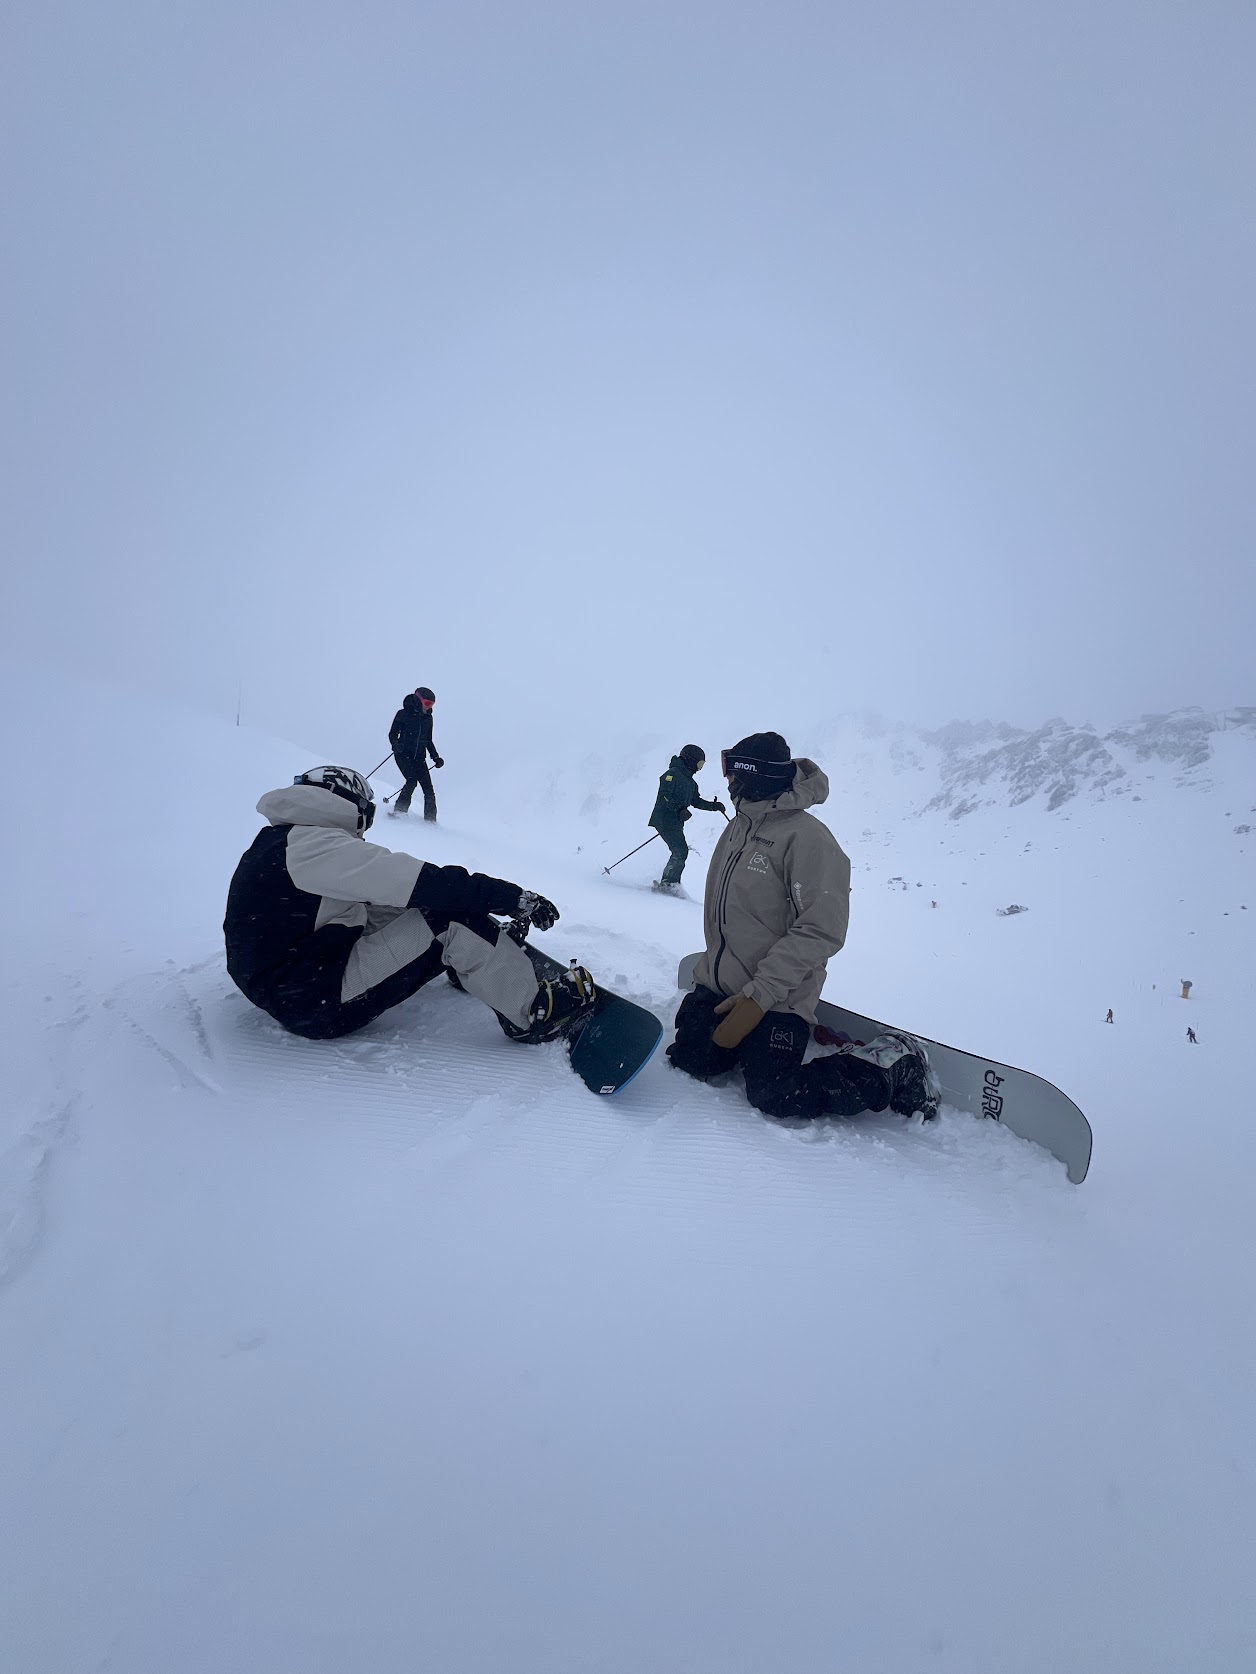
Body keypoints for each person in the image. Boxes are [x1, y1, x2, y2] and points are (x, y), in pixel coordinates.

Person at [667, 732, 935, 1121]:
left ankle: (894, 1064)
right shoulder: (739, 826)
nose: (727, 779)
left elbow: (822, 929)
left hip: (780, 996)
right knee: (691, 1058)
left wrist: (759, 997)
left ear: (754, 776)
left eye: (732, 770)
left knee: (775, 1093)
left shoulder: (808, 839)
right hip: (723, 984)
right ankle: (740, 1041)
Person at [224, 766, 596, 1044]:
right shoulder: (313, 846)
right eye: (367, 813)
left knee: (400, 905)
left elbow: (386, 898)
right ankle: (532, 1013)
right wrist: (511, 898)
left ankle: (469, 957)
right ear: (351, 804)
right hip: (314, 998)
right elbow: (423, 883)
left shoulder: (285, 841)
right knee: (449, 916)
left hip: (294, 985)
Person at [648, 744, 726, 894]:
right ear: (690, 760)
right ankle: (668, 884)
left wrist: (713, 806)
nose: (699, 768)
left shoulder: (691, 783)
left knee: (680, 850)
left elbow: (696, 801)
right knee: (680, 850)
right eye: (699, 764)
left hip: (675, 822)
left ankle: (671, 883)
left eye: (701, 765)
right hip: (664, 819)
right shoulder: (672, 774)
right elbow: (664, 796)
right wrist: (679, 809)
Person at [389, 687, 443, 820]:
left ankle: (430, 821)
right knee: (412, 780)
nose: (429, 707)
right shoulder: (403, 714)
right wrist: (395, 745)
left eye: (431, 704)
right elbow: (393, 734)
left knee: (428, 789)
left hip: (419, 757)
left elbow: (428, 740)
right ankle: (399, 811)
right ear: (418, 700)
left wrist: (435, 757)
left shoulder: (428, 718)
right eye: (427, 703)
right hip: (403, 755)